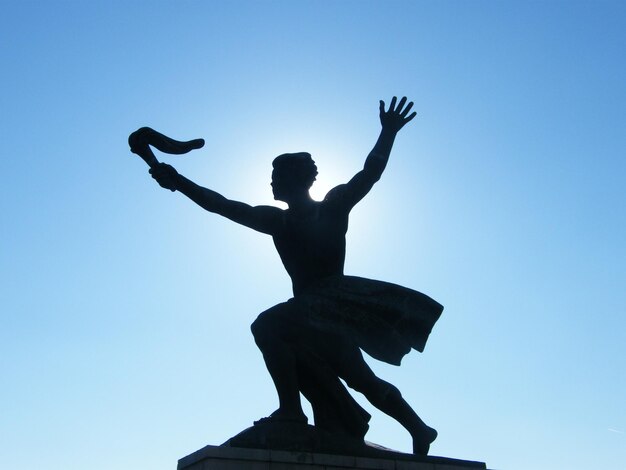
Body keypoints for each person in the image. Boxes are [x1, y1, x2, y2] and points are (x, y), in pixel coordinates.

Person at [143, 97, 442, 455]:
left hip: (331, 304)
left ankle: (291, 412)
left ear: (298, 179)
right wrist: (177, 181)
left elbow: (370, 173)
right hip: (312, 314)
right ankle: (419, 428)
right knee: (361, 378)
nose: (272, 183)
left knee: (267, 326)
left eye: (277, 176)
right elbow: (219, 204)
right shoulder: (277, 221)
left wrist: (388, 132)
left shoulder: (332, 207)